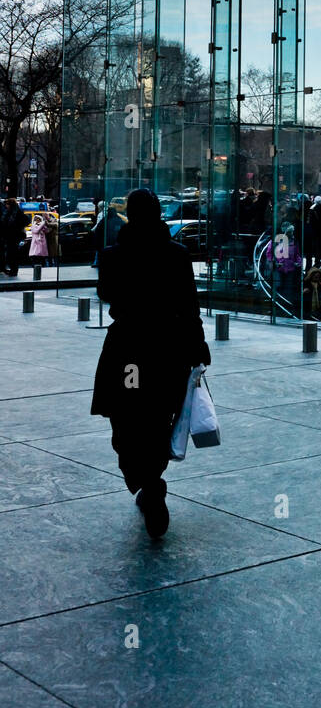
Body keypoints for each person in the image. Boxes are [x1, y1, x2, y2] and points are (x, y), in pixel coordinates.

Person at [91, 188, 211, 539]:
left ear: (129, 214)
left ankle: (145, 481)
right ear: (159, 214)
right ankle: (152, 481)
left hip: (129, 351)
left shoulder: (113, 255)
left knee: (127, 414)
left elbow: (107, 295)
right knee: (160, 415)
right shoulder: (177, 254)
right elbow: (189, 306)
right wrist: (198, 345)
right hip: (167, 350)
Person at [1, 197, 27, 275]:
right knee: (10, 253)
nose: (6, 206)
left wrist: (17, 227)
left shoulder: (17, 212)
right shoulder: (9, 212)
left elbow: (26, 220)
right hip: (9, 236)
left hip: (14, 236)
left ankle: (14, 270)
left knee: (13, 254)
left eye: (7, 204)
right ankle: (12, 269)